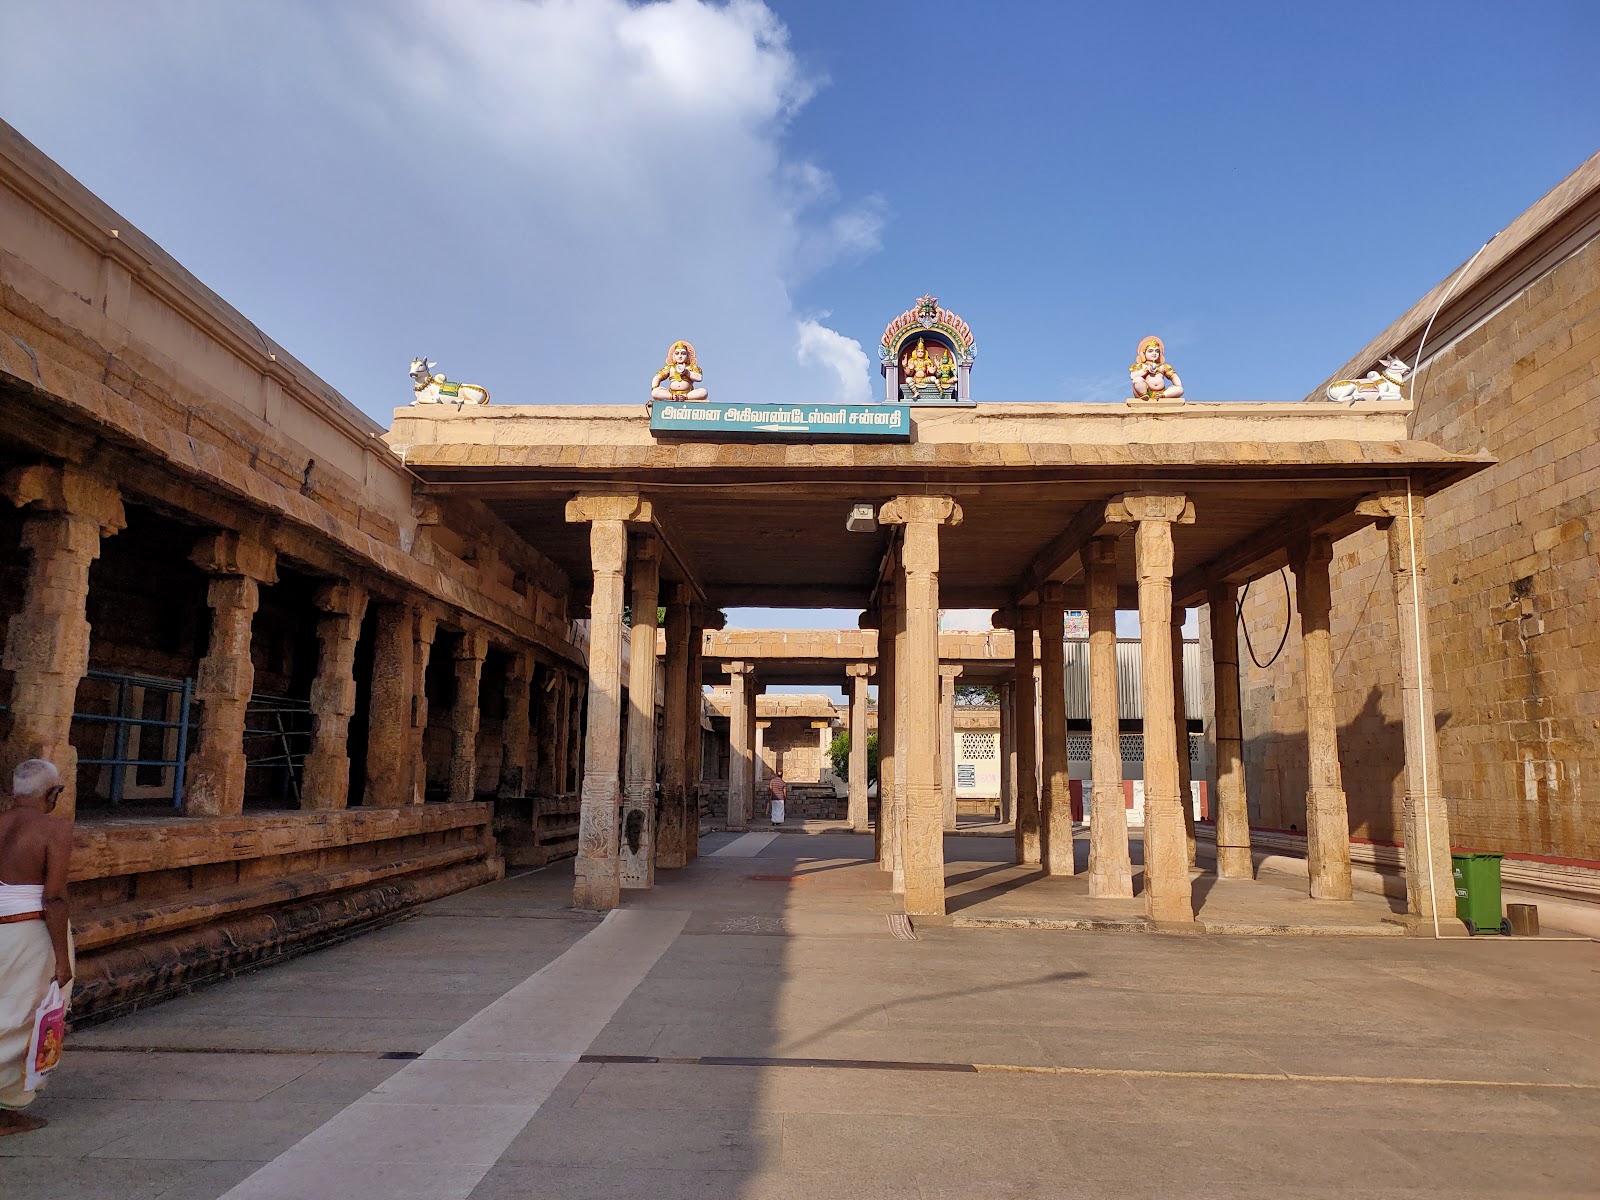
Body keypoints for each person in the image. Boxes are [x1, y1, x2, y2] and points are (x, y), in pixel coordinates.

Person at [0, 759, 74, 1137]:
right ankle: (4, 1109)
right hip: (27, 934)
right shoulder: (54, 829)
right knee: (21, 1021)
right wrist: (62, 960)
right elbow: (55, 899)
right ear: (53, 794)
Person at [650, 340, 707, 406]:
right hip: (671, 394)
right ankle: (673, 397)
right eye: (677, 353)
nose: (680, 356)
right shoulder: (670, 368)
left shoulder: (691, 367)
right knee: (655, 392)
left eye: (683, 353)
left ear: (688, 356)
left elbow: (699, 378)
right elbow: (657, 377)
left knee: (703, 392)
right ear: (673, 356)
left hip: (688, 393)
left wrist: (687, 372)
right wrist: (654, 388)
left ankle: (685, 397)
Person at [1130, 335, 1184, 400]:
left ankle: (1162, 396)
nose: (1154, 353)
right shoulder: (1141, 366)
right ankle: (1144, 395)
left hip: (1161, 392)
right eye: (1150, 351)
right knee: (1137, 380)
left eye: (1157, 351)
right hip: (1146, 392)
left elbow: (1174, 377)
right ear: (1143, 353)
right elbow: (1133, 376)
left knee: (1180, 389)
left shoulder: (1163, 366)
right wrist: (1147, 370)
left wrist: (1178, 385)